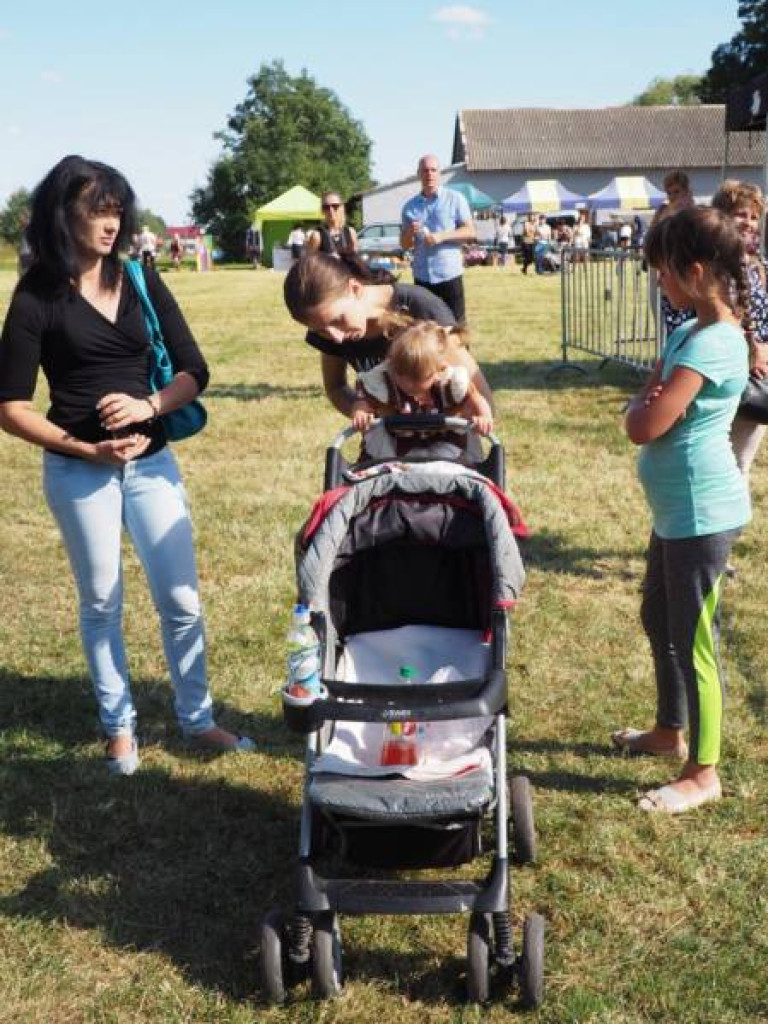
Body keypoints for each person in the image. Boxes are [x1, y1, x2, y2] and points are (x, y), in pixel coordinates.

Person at [0, 155, 253, 775]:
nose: (110, 223)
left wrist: (148, 404)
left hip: (153, 464)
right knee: (102, 602)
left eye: (116, 209)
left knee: (182, 599)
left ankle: (198, 720)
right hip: (80, 468)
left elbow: (196, 370)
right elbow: (9, 406)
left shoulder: (140, 276)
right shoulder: (36, 293)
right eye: (96, 210)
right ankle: (119, 727)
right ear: (64, 215)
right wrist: (85, 449)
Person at [613, 206, 751, 813]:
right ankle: (670, 732)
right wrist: (645, 400)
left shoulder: (716, 344)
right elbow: (649, 396)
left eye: (663, 272)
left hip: (701, 515)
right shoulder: (684, 331)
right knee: (657, 618)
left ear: (695, 271)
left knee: (694, 639)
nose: (658, 283)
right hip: (673, 512)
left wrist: (641, 406)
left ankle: (703, 771)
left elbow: (646, 422)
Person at [282, 250, 493, 417]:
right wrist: (373, 418)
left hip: (447, 446)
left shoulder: (423, 309)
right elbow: (336, 388)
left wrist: (434, 426)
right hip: (392, 447)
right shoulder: (330, 325)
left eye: (338, 320)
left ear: (355, 288)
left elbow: (480, 397)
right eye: (320, 331)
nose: (335, 337)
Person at [351, 319, 493, 460]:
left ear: (438, 371)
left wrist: (484, 417)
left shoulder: (451, 383)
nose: (407, 383)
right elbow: (364, 400)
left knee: (449, 466)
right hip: (398, 446)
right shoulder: (384, 382)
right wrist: (360, 412)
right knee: (377, 449)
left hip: (443, 442)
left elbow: (476, 399)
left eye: (417, 379)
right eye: (400, 374)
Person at [711, 180, 768, 484]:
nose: (748, 222)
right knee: (717, 460)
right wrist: (751, 348)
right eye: (741, 214)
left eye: (754, 216)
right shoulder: (712, 267)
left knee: (741, 464)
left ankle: (732, 527)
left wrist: (764, 352)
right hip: (724, 372)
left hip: (758, 376)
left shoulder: (758, 266)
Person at [400, 155, 475, 323]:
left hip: (449, 275)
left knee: (456, 329)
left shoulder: (455, 199)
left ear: (439, 173)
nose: (429, 174)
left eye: (433, 170)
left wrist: (442, 236)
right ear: (419, 174)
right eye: (425, 170)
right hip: (422, 277)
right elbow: (404, 245)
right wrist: (410, 232)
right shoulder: (409, 207)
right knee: (425, 329)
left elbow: (470, 231)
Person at [305, 191, 357, 256]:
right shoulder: (317, 235)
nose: (331, 210)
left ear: (342, 207)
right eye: (326, 207)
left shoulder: (351, 232)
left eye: (335, 206)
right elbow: (309, 263)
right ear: (322, 210)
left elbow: (355, 260)